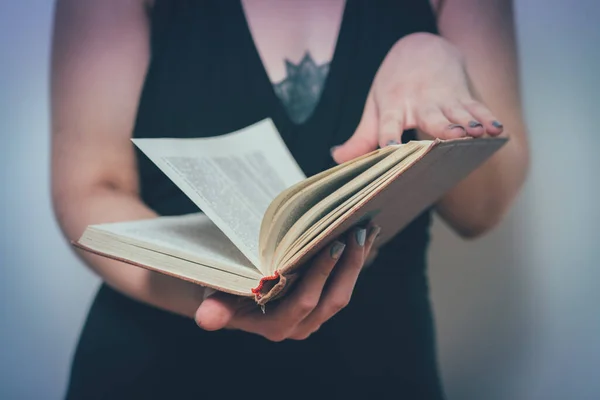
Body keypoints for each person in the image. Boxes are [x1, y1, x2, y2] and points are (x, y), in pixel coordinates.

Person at [51, 0, 529, 398]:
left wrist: (440, 73)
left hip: (376, 366)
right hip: (155, 362)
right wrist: (221, 291)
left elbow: (481, 212)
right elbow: (90, 189)